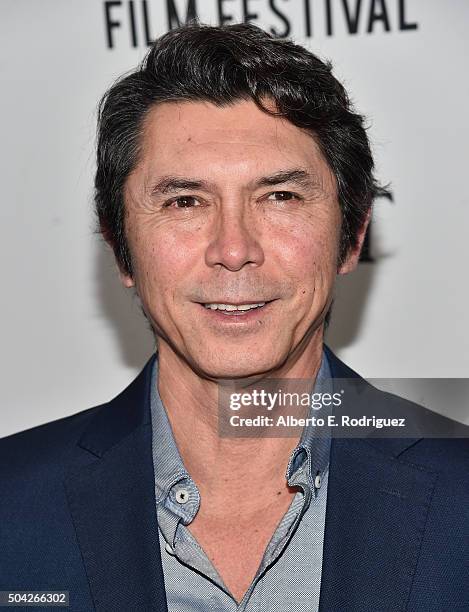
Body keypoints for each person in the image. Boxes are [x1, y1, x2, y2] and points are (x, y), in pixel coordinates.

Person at [0, 23, 468, 612]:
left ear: (352, 235)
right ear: (121, 246)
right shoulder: (9, 505)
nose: (233, 247)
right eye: (185, 202)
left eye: (280, 197)